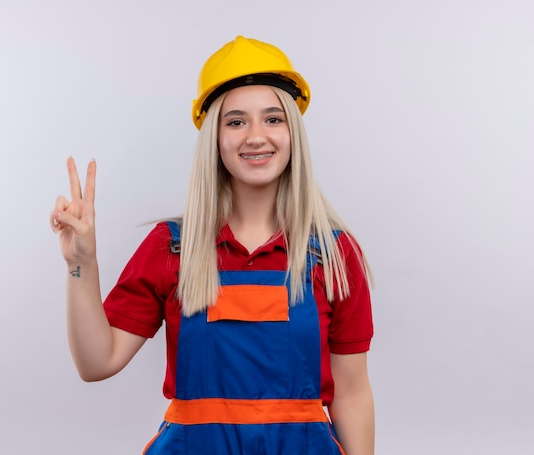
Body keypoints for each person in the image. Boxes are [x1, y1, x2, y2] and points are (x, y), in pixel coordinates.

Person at [51, 36, 375, 455]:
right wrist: (81, 266)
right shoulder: (172, 249)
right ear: (215, 138)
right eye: (236, 121)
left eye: (273, 119)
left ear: (293, 132)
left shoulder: (333, 256)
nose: (256, 136)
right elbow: (97, 363)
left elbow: (351, 393)